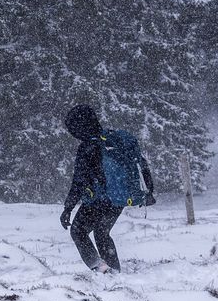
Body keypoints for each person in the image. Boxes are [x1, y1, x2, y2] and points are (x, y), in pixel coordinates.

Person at [60, 104, 152, 273]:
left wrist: (68, 208)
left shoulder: (87, 147)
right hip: (118, 198)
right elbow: (142, 164)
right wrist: (148, 190)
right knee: (102, 233)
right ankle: (114, 272)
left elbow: (79, 181)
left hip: (99, 200)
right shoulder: (114, 139)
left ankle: (100, 268)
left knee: (78, 231)